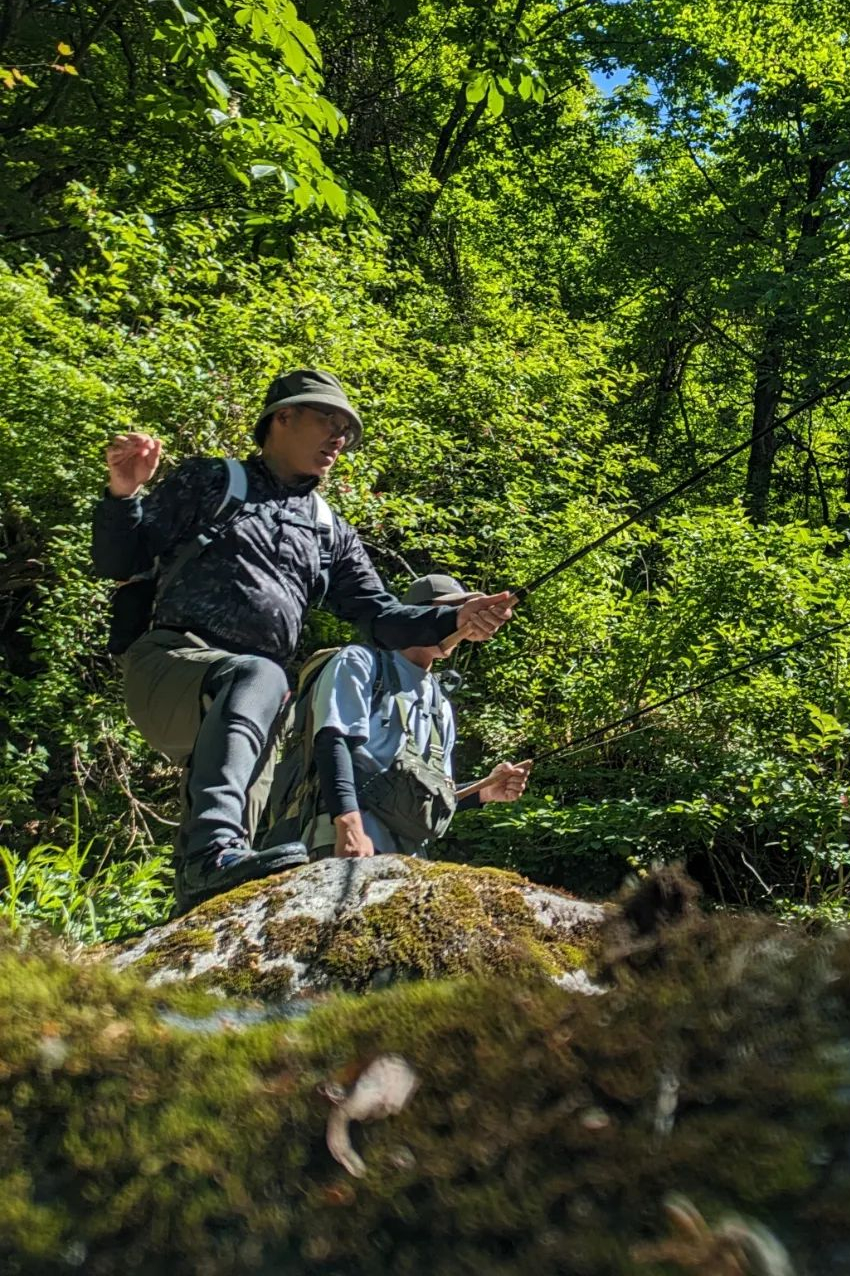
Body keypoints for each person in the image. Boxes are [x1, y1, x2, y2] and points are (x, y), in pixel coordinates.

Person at [93, 369, 515, 911]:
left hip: (257, 704)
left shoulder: (326, 529)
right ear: (281, 418)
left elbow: (380, 615)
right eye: (327, 421)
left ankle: (194, 923)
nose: (340, 438)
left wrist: (454, 622)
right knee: (260, 678)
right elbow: (120, 561)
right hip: (171, 666)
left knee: (236, 868)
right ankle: (211, 854)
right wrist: (123, 494)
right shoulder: (212, 482)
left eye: (347, 430)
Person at [285, 573, 532, 859]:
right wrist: (349, 828)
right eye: (448, 611)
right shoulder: (361, 662)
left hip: (409, 860)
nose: (460, 620)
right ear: (417, 615)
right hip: (347, 845)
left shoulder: (441, 703)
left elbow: (429, 793)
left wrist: (485, 792)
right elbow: (331, 741)